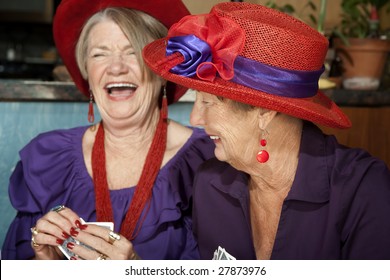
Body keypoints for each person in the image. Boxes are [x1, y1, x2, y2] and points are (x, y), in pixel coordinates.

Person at [142, 2, 390, 259]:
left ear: (264, 112)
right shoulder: (210, 185)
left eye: (210, 102)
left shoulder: (362, 188)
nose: (195, 118)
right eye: (197, 99)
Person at [2, 0, 215, 260]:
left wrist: (135, 272)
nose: (116, 67)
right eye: (99, 54)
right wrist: (44, 264)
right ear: (87, 74)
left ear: (162, 71)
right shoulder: (46, 158)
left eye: (133, 52)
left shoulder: (209, 162)